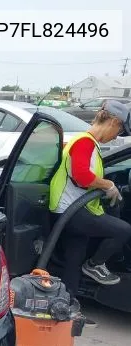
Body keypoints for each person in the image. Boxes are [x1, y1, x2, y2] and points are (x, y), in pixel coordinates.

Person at [48, 100, 131, 294]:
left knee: (73, 260)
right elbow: (82, 176)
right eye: (119, 132)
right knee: (122, 230)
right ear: (114, 122)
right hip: (70, 211)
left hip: (70, 210)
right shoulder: (85, 142)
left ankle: (69, 304)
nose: (115, 137)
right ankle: (95, 265)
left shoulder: (86, 142)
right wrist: (108, 185)